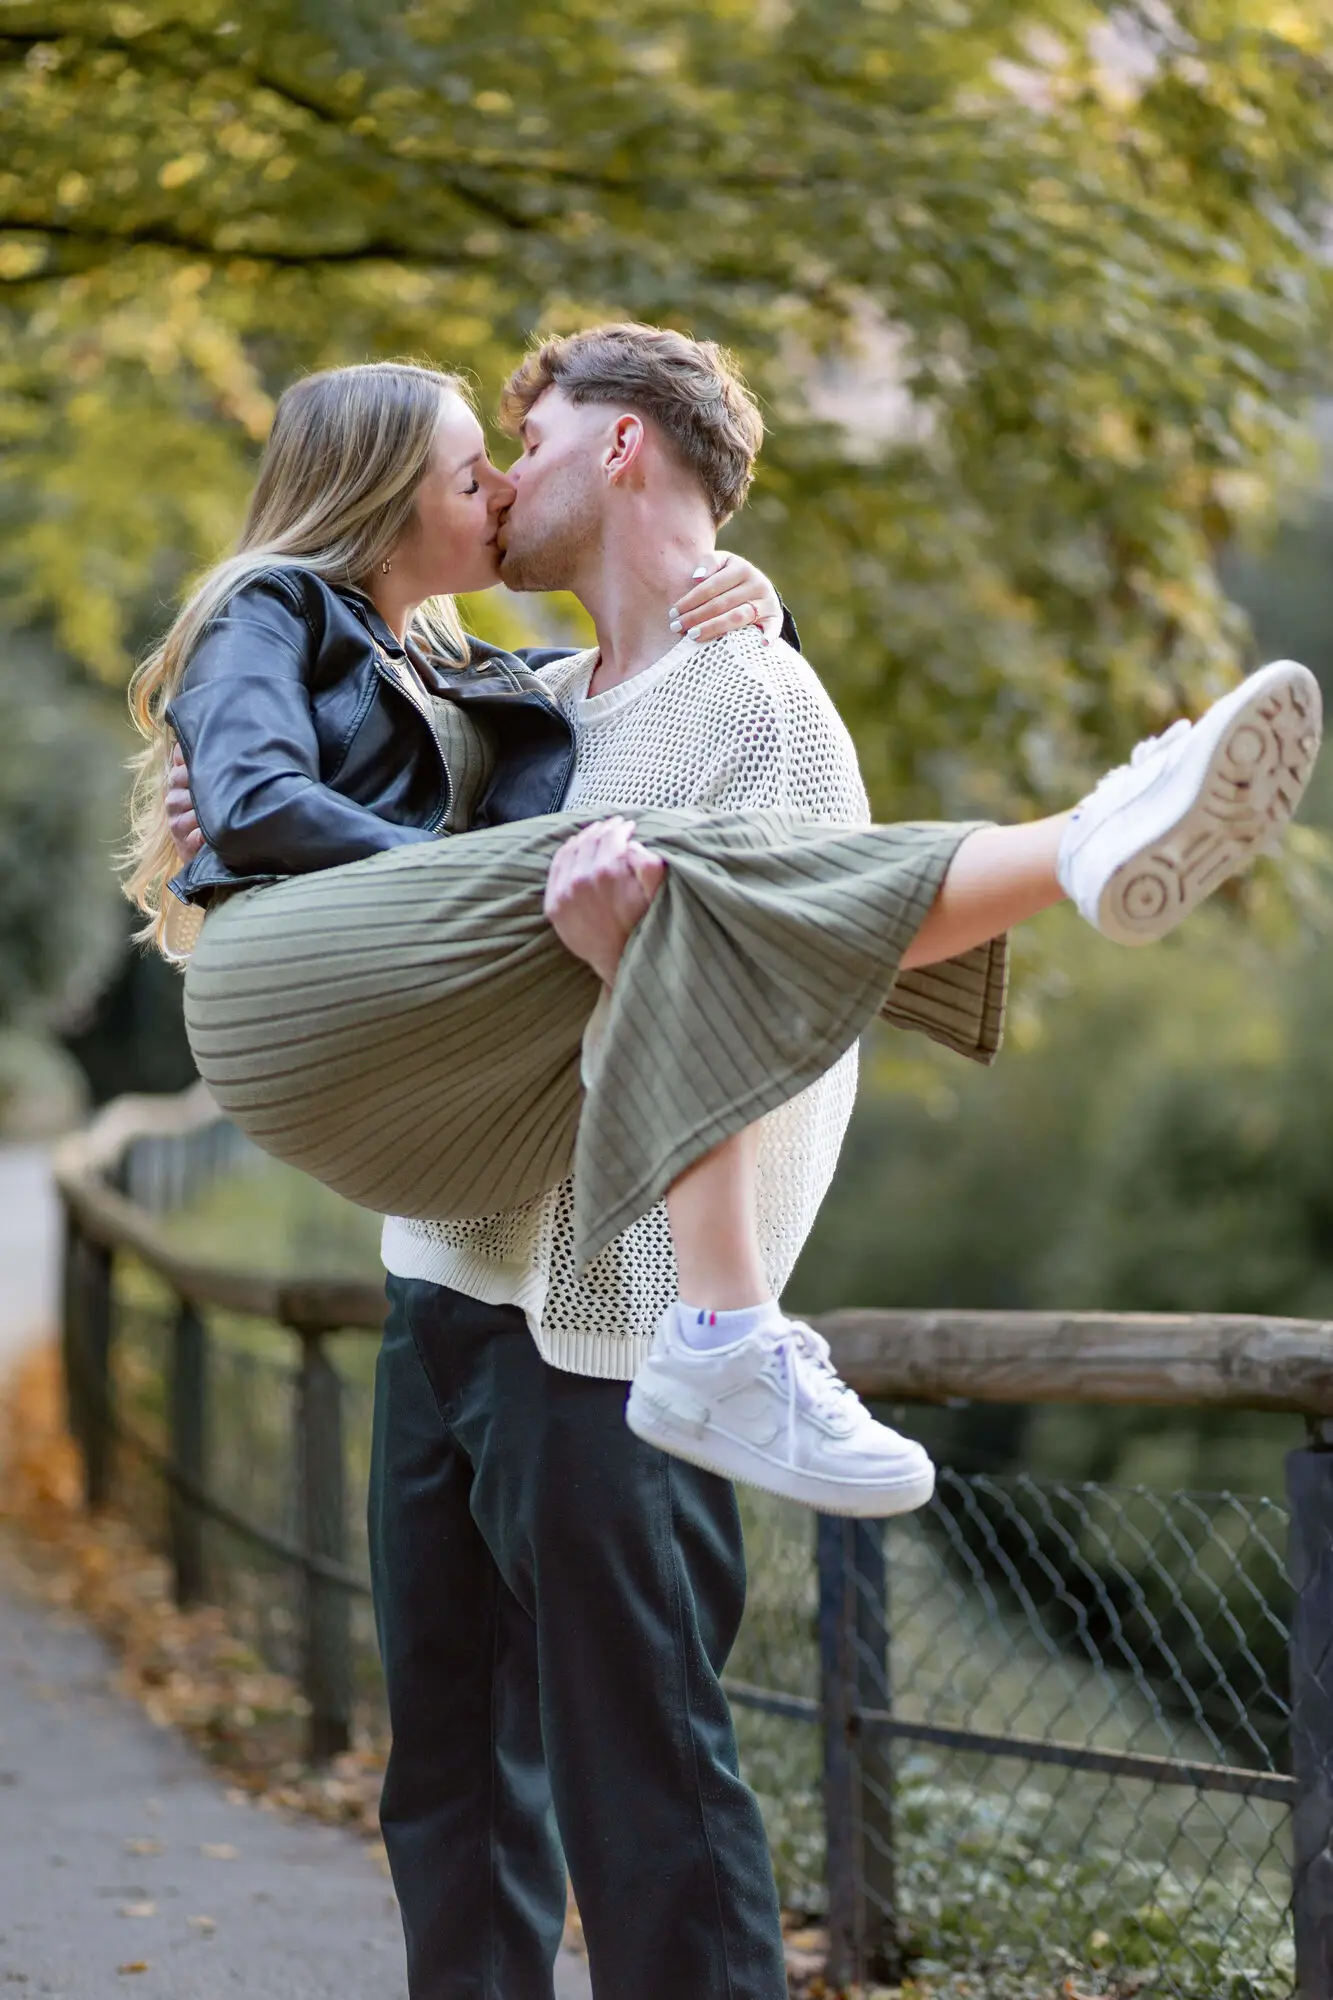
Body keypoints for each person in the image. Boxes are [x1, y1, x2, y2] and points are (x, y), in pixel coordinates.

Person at [148, 336, 1320, 2000]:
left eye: (523, 440)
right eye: (472, 457)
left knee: (651, 1812)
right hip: (444, 1291)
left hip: (613, 1324)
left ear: (619, 449)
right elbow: (364, 823)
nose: (494, 480)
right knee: (456, 1795)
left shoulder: (758, 702)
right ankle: (1075, 844)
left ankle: (1085, 843)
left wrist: (733, 684)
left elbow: (797, 1018)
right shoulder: (529, 695)